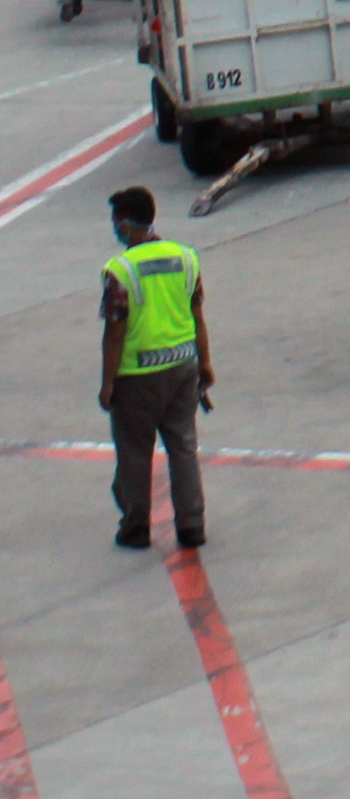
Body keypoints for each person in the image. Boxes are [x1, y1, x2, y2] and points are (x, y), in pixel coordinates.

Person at [98, 183, 210, 551]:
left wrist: (108, 383)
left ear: (127, 223)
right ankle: (191, 525)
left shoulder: (121, 269)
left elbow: (115, 330)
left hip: (137, 376)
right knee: (182, 446)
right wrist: (205, 363)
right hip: (183, 367)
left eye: (116, 220)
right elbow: (197, 314)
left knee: (134, 452)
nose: (115, 228)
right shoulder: (185, 257)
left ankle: (135, 527)